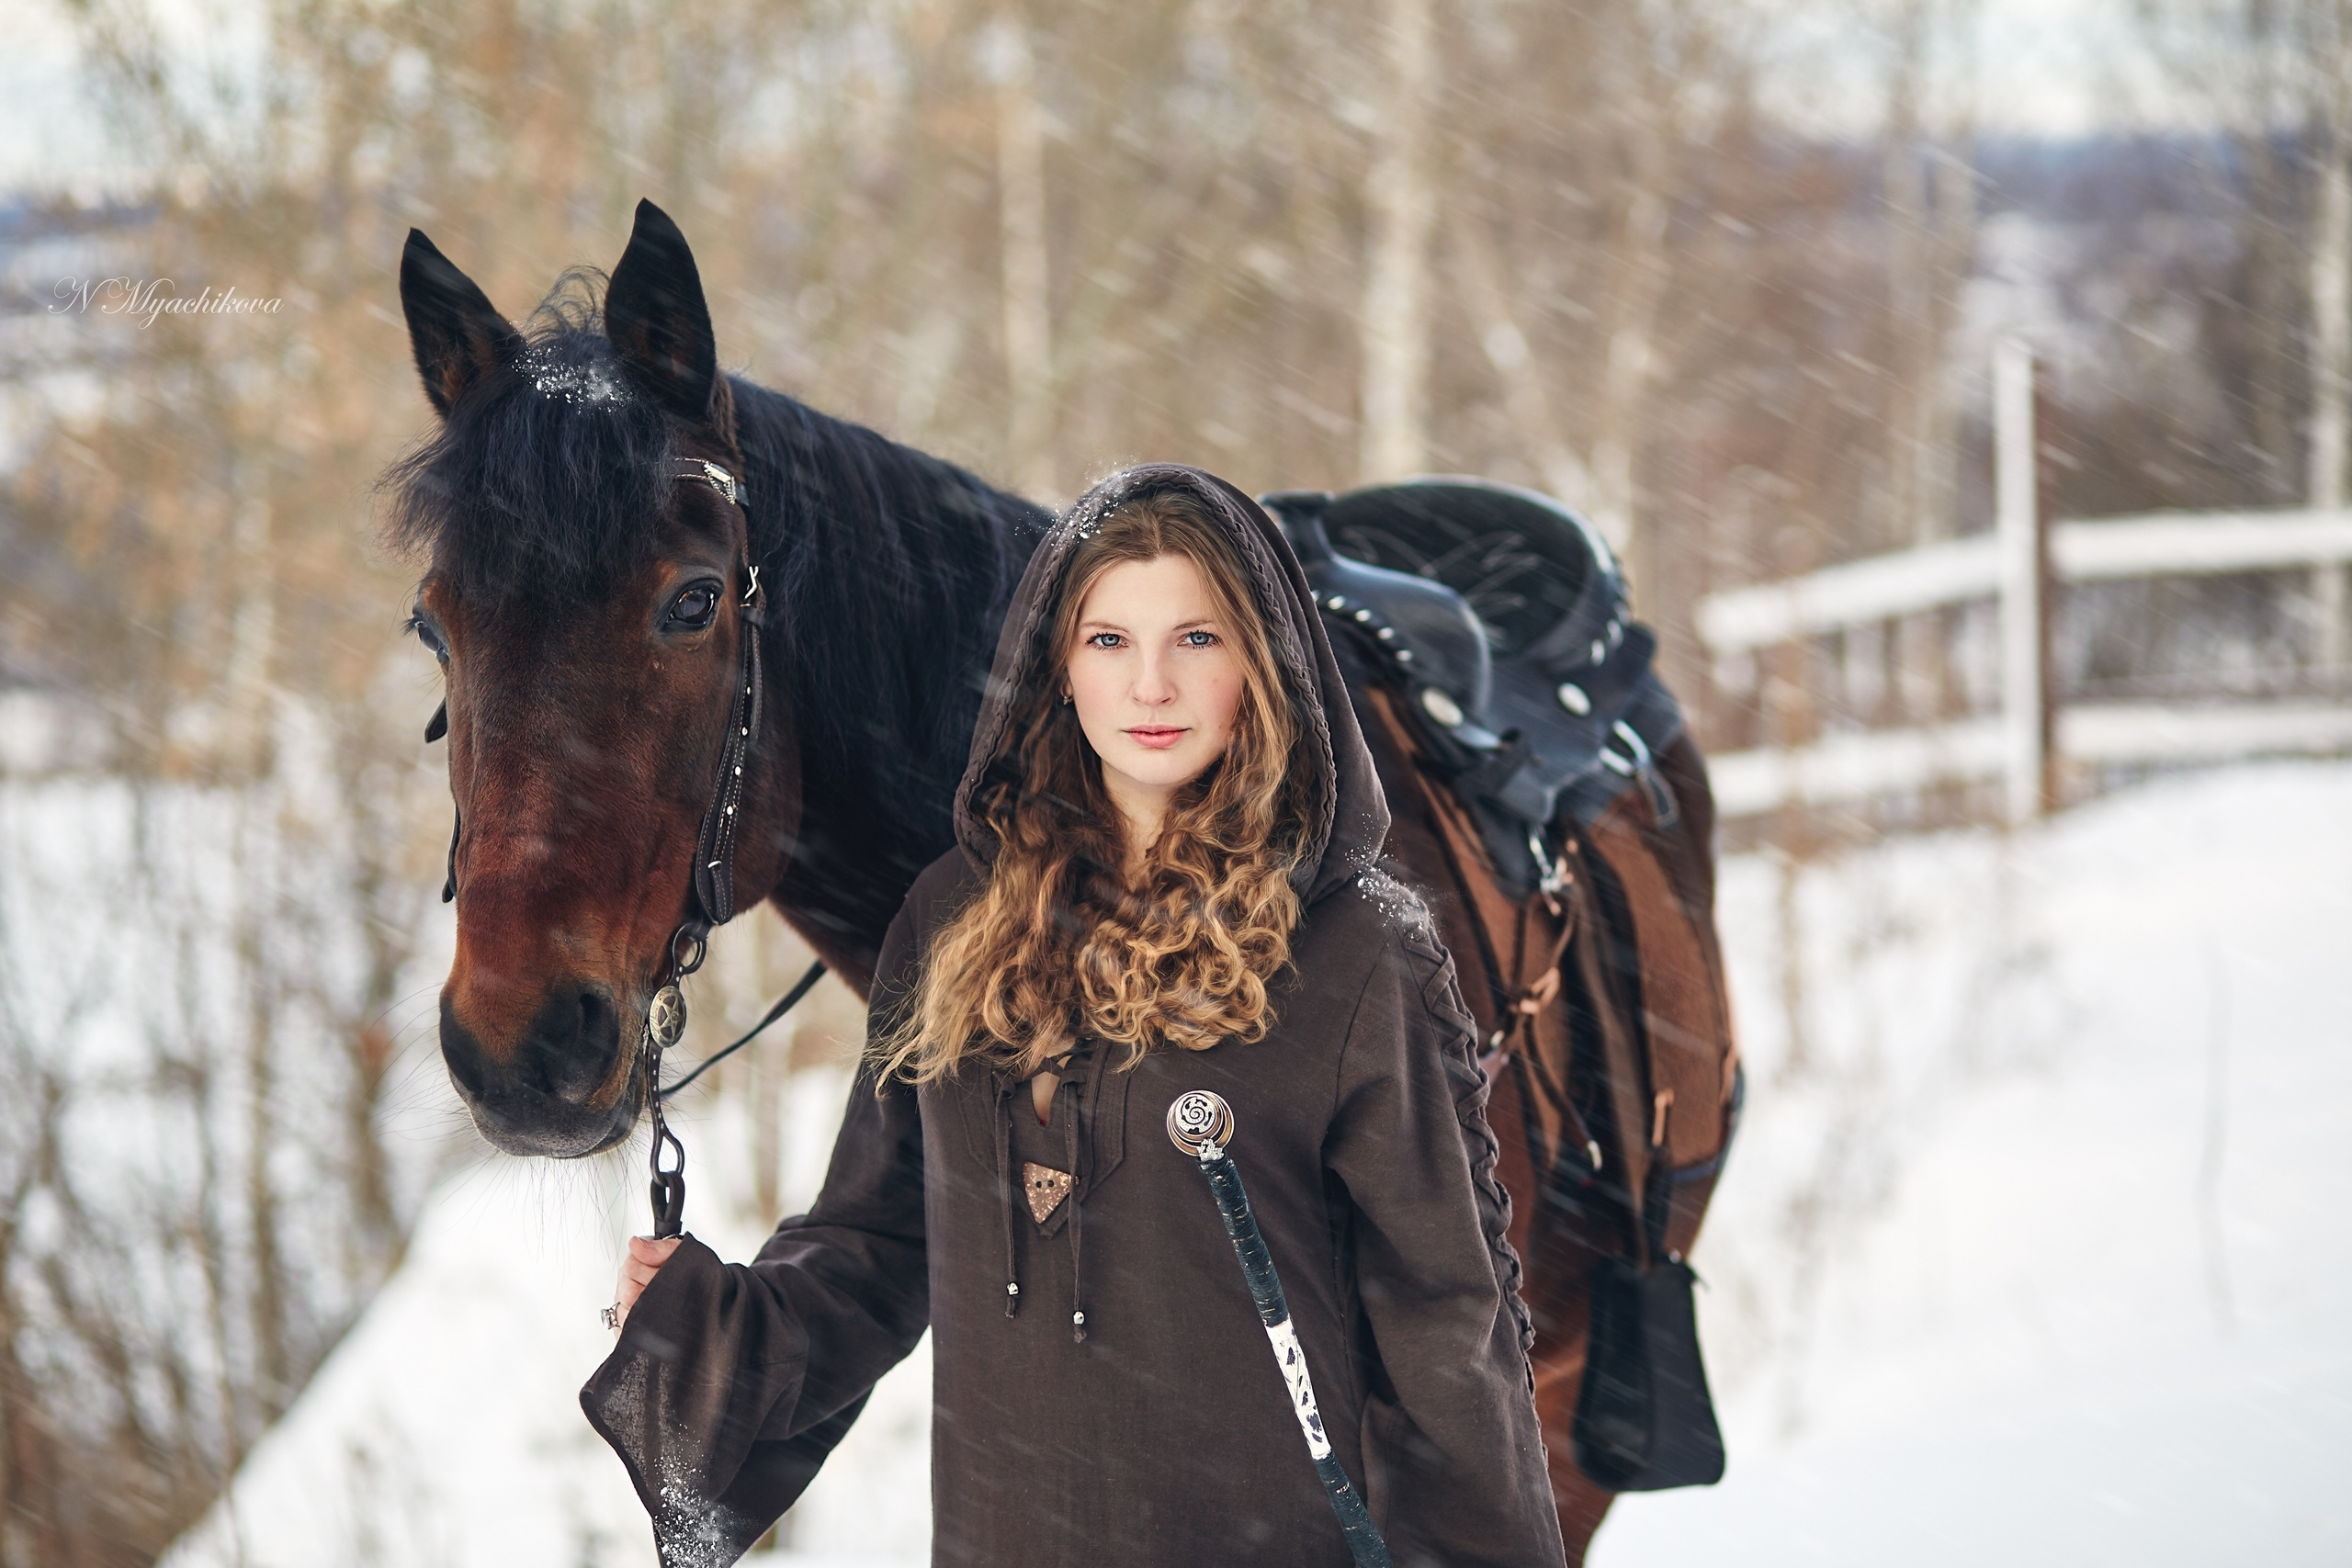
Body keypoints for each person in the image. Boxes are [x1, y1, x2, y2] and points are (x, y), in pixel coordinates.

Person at [583, 465, 1568, 1568]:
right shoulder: (950, 915)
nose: (1150, 686)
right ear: (1056, 666)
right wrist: (708, 1334)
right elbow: (877, 1242)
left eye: (1196, 639)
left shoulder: (1356, 950)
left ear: (1262, 661)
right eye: (1109, 642)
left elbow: (1444, 1320)